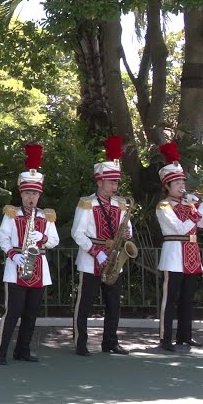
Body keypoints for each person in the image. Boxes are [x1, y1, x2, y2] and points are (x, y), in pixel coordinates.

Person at [0, 144, 60, 365]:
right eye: (27, 193)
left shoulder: (46, 216)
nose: (31, 197)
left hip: (39, 267)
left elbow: (55, 241)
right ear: (21, 193)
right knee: (12, 313)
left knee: (31, 315)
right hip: (17, 267)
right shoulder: (11, 214)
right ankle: (1, 352)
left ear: (39, 195)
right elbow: (3, 239)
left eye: (34, 193)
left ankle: (23, 350)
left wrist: (41, 237)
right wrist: (13, 255)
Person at [70, 135, 131, 356]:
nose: (115, 186)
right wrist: (97, 253)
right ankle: (80, 342)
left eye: (117, 182)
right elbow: (77, 233)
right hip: (90, 258)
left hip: (114, 259)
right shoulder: (87, 203)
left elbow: (129, 229)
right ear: (100, 181)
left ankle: (110, 342)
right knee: (84, 303)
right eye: (111, 182)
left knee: (114, 304)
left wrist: (127, 233)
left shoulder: (121, 204)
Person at [155, 141, 203, 352]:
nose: (182, 186)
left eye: (182, 182)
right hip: (173, 254)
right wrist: (197, 212)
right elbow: (180, 229)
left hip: (191, 254)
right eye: (177, 183)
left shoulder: (187, 204)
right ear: (167, 186)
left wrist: (201, 208)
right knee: (169, 299)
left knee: (188, 299)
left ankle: (185, 336)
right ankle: (165, 338)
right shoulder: (163, 206)